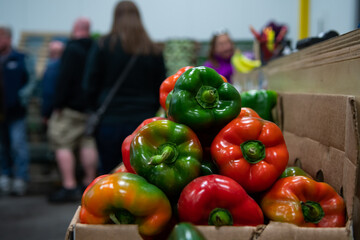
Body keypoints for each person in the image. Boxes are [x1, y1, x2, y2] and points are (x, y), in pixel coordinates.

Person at [83, 1, 166, 174]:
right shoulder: (153, 49)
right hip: (143, 121)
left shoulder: (102, 46)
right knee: (142, 173)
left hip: (110, 120)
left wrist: (94, 106)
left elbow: (89, 84)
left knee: (109, 174)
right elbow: (161, 87)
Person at [47, 18, 98, 203]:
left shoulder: (71, 48)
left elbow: (64, 79)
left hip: (70, 108)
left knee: (63, 143)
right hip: (91, 108)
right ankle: (90, 184)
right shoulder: (95, 48)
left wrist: (57, 104)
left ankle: (69, 185)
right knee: (88, 143)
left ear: (75, 28)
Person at [0, 25, 31, 196]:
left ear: (8, 38)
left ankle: (21, 178)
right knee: (2, 146)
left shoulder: (19, 58)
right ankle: (5, 176)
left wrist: (22, 96)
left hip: (16, 111)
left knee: (17, 144)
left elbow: (31, 80)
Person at [41, 40, 65, 123]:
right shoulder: (66, 66)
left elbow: (48, 93)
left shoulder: (51, 68)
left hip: (53, 111)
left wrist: (45, 113)